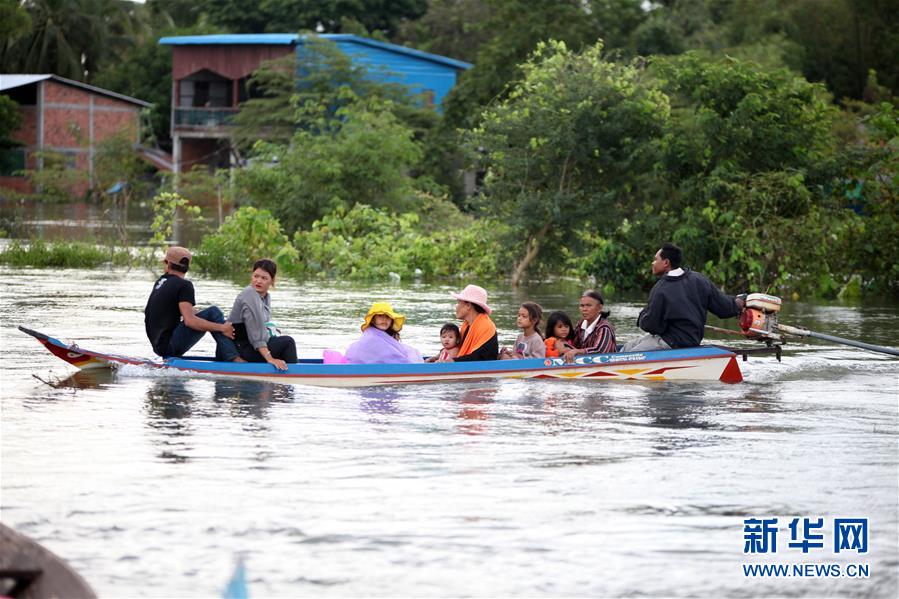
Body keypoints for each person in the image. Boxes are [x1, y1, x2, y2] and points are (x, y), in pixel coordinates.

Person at [621, 242, 746, 352]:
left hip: (671, 343)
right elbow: (723, 307)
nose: (652, 263)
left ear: (666, 262)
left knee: (628, 354)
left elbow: (652, 326)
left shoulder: (660, 289)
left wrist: (643, 316)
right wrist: (739, 303)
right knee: (627, 347)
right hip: (691, 341)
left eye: (655, 259)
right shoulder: (699, 279)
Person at [144, 246, 238, 360]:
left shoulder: (161, 282)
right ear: (187, 267)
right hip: (168, 346)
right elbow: (190, 321)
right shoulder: (184, 285)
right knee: (214, 313)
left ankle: (226, 355)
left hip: (160, 345)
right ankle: (233, 358)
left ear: (168, 264)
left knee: (209, 316)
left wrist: (204, 319)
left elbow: (184, 311)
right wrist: (222, 328)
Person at [229, 259, 297, 370]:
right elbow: (257, 334)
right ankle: (296, 374)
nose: (258, 281)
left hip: (251, 347)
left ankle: (286, 372)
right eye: (256, 276)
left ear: (272, 280)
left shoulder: (265, 297)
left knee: (282, 342)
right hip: (241, 350)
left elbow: (261, 325)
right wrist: (270, 359)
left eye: (264, 278)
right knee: (288, 342)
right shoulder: (250, 294)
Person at [343, 302, 423, 364]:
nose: (385, 319)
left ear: (391, 320)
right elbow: (398, 360)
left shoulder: (386, 337)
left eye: (388, 316)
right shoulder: (371, 338)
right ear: (373, 319)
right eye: (380, 316)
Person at [443, 284, 498, 362]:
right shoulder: (467, 325)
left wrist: (454, 361)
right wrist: (438, 356)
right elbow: (455, 346)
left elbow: (479, 358)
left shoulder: (485, 326)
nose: (456, 306)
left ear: (468, 306)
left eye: (458, 303)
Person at [563, 290, 617, 362]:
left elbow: (600, 351)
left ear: (599, 308)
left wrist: (577, 351)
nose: (584, 309)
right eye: (582, 306)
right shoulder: (581, 323)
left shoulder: (604, 327)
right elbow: (571, 339)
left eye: (588, 305)